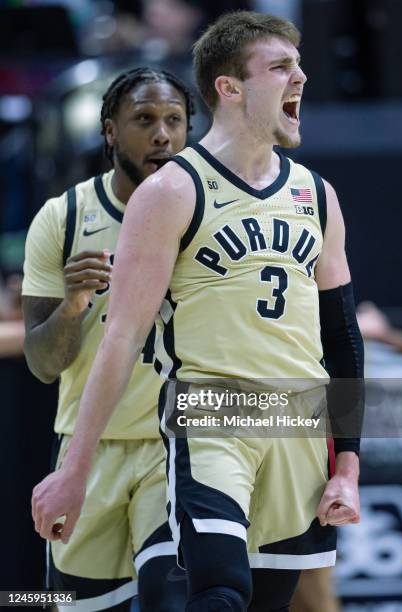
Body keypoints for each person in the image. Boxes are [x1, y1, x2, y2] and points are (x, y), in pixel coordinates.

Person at [31, 12, 363, 611]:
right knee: (217, 593)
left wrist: (350, 466)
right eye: (281, 67)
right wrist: (74, 471)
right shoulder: (172, 192)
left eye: (300, 64)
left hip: (297, 421)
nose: (301, 78)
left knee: (269, 601)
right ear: (229, 88)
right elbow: (122, 337)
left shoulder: (316, 193)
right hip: (209, 414)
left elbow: (342, 336)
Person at [23, 67, 194, 612]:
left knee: (173, 597)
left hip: (175, 445)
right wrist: (73, 308)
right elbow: (43, 364)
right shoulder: (65, 217)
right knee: (74, 606)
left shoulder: (207, 211)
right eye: (144, 120)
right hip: (87, 448)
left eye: (175, 120)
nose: (162, 135)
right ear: (110, 132)